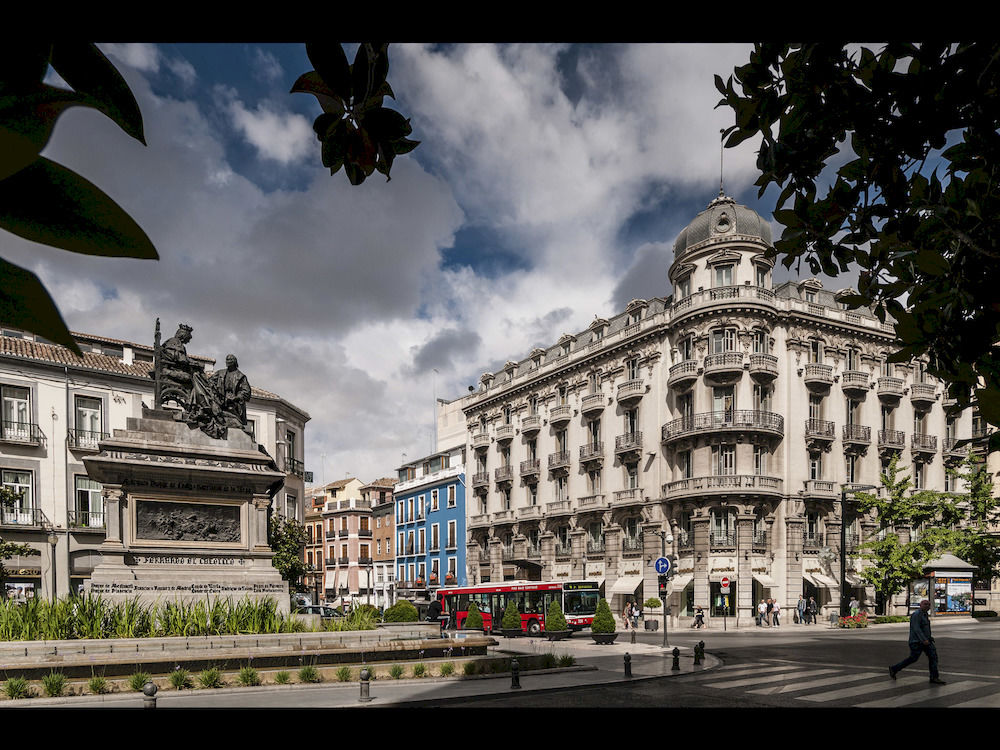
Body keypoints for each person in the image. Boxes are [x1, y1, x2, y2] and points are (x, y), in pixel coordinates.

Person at [889, 600, 946, 684]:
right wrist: (924, 639)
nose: (927, 606)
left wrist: (929, 638)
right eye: (925, 604)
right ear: (921, 605)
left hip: (926, 641)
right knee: (913, 658)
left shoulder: (924, 614)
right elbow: (916, 629)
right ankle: (894, 669)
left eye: (929, 605)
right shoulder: (916, 614)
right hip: (917, 642)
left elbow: (925, 629)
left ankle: (934, 677)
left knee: (933, 657)